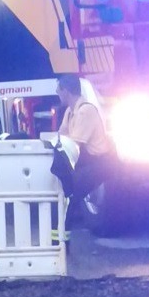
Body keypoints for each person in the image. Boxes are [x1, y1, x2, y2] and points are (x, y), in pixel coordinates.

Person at [56, 74, 116, 220]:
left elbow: (74, 145)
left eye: (58, 89)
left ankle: (63, 235)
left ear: (66, 91)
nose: (57, 93)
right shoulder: (70, 112)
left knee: (68, 198)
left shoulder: (85, 111)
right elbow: (61, 137)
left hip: (99, 164)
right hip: (89, 162)